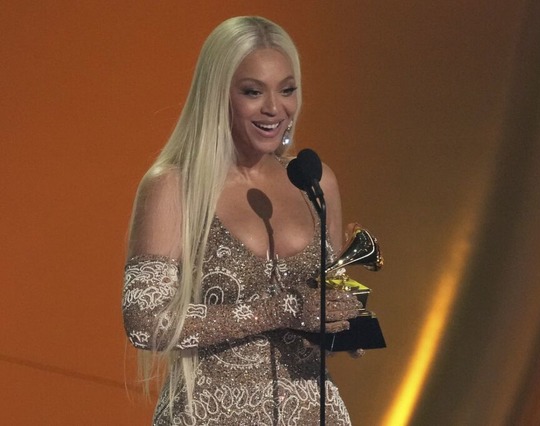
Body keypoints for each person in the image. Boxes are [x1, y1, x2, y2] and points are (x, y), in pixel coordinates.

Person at [122, 16, 361, 425]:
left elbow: (324, 311)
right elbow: (146, 321)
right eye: (253, 92)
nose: (275, 108)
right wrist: (282, 310)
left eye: (287, 90)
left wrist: (347, 322)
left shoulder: (315, 182)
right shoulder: (176, 187)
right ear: (218, 95)